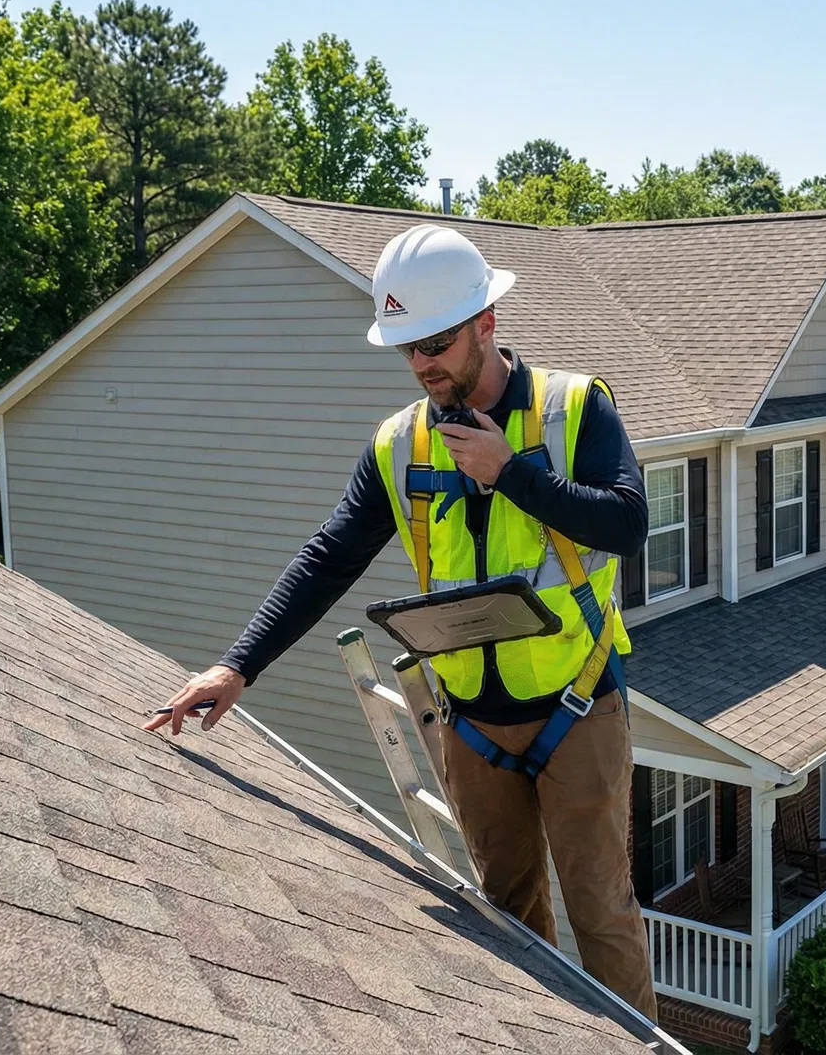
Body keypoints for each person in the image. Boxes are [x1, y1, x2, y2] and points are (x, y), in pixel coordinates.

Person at [142, 223, 657, 1017]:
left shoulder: (572, 409)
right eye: (408, 346)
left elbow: (626, 526)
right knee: (512, 925)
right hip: (470, 727)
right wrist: (237, 665)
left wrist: (512, 474)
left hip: (577, 707)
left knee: (602, 916)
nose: (423, 364)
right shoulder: (399, 444)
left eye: (438, 341)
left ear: (487, 321)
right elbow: (329, 558)